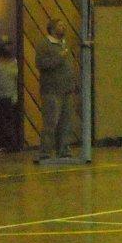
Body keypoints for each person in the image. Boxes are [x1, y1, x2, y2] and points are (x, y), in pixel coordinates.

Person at [35, 19, 77, 165]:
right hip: (52, 90)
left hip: (67, 89)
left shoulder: (64, 43)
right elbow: (41, 64)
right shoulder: (44, 45)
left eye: (64, 25)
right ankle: (45, 153)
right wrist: (59, 58)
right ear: (52, 28)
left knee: (66, 122)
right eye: (60, 25)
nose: (63, 27)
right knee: (51, 122)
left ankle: (64, 151)